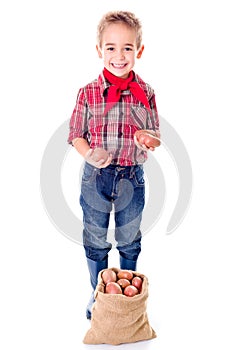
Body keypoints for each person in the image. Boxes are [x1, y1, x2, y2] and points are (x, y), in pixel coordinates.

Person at [67, 11, 160, 319]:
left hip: (132, 178)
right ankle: (100, 295)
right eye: (111, 47)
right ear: (99, 50)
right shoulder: (87, 93)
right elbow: (75, 135)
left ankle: (127, 297)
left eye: (127, 48)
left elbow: (156, 136)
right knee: (94, 237)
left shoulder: (146, 93)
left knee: (129, 238)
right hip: (96, 178)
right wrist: (89, 153)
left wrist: (148, 138)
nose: (119, 56)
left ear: (139, 51)